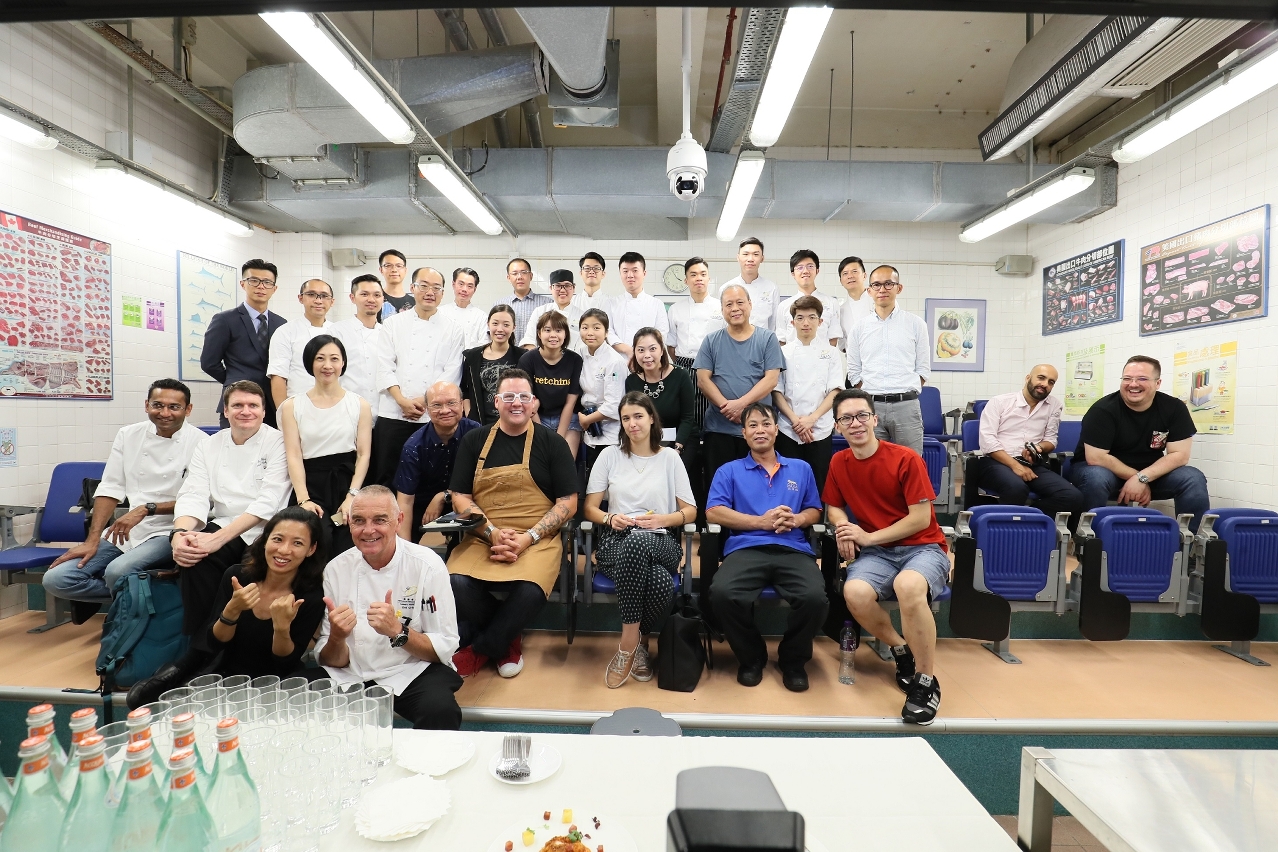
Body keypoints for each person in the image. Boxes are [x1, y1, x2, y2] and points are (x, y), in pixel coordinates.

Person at [825, 389, 950, 725]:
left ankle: (926, 681)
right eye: (846, 418)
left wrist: (866, 537)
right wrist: (844, 528)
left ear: (875, 419)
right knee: (854, 592)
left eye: (862, 415)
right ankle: (900, 649)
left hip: (923, 547)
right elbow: (833, 506)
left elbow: (920, 519)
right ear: (838, 427)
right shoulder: (839, 462)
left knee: (908, 586)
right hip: (877, 552)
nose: (856, 423)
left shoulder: (906, 459)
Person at [126, 506, 329, 707]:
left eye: (298, 543)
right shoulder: (238, 576)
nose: (284, 550)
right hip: (227, 675)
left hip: (275, 685)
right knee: (143, 700)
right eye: (277, 539)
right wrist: (232, 610)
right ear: (265, 539)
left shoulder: (310, 596)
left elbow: (285, 662)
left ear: (311, 549)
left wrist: (281, 627)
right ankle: (182, 669)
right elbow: (214, 642)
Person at [447, 369, 578, 678]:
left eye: (523, 397)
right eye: (509, 397)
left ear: (534, 403)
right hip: (482, 535)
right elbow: (460, 498)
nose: (516, 403)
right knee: (455, 582)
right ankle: (507, 636)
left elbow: (568, 504)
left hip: (537, 539)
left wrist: (527, 538)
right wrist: (491, 532)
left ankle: (484, 646)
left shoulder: (552, 443)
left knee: (530, 591)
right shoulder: (474, 440)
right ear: (496, 402)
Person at [43, 379, 208, 623]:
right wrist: (92, 540)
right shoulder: (128, 435)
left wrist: (146, 509)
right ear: (146, 405)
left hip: (173, 530)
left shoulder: (202, 443)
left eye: (174, 407)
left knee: (117, 571)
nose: (164, 413)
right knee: (56, 579)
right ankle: (143, 595)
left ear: (188, 409)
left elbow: (200, 497)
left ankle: (129, 612)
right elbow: (110, 487)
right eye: (157, 405)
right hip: (128, 528)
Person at [316, 486, 464, 730]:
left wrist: (398, 631)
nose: (368, 530)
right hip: (353, 673)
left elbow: (443, 648)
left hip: (410, 670)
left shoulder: (427, 565)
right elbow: (332, 660)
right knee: (294, 695)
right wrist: (337, 638)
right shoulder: (336, 569)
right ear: (349, 524)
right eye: (359, 521)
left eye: (380, 520)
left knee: (440, 710)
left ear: (399, 521)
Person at [705, 404, 827, 692]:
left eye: (766, 424)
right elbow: (714, 512)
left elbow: (814, 510)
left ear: (776, 429)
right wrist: (759, 522)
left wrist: (797, 519)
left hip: (793, 548)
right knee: (722, 594)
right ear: (743, 433)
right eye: (753, 425)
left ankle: (793, 660)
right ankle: (751, 657)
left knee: (815, 599)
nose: (760, 430)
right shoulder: (729, 470)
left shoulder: (801, 468)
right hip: (745, 549)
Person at [170, 381, 291, 658]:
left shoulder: (279, 442)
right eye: (237, 405)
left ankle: (239, 652)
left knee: (243, 569)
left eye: (253, 406)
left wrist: (216, 539)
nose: (245, 411)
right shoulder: (208, 446)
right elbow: (193, 494)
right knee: (194, 558)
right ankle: (201, 649)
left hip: (267, 528)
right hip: (225, 522)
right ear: (225, 410)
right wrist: (179, 535)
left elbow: (268, 502)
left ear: (263, 412)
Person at [585, 393, 696, 688]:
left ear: (651, 418)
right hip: (617, 539)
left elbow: (691, 511)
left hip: (660, 538)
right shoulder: (610, 456)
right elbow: (590, 508)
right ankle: (642, 644)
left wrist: (662, 519)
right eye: (625, 418)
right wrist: (610, 518)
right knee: (658, 580)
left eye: (637, 416)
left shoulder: (670, 457)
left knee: (640, 544)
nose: (632, 423)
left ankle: (626, 645)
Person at [1071, 355, 1210, 530]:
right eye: (1127, 379)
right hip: (1101, 471)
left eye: (1142, 379)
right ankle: (1087, 539)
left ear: (1158, 383)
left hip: (1149, 474)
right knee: (1096, 477)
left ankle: (1192, 545)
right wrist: (1138, 478)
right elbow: (1096, 458)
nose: (1133, 384)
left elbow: (1180, 455)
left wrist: (1142, 478)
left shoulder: (1174, 408)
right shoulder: (1102, 410)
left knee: (1192, 477)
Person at [277, 335, 373, 556]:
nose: (327, 365)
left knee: (349, 544)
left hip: (348, 483)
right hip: (310, 486)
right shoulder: (292, 406)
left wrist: (352, 496)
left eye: (334, 359)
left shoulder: (360, 404)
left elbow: (363, 454)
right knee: (319, 541)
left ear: (343, 363)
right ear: (310, 363)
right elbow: (293, 455)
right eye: (320, 358)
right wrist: (304, 499)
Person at [372, 266, 465, 487]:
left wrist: (425, 402)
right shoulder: (393, 324)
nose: (430, 292)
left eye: (436, 288)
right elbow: (383, 366)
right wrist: (402, 401)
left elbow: (451, 373)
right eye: (423, 286)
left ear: (443, 293)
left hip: (431, 415)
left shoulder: (454, 329)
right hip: (394, 412)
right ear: (412, 289)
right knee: (388, 475)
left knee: (429, 479)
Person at [974, 365, 1085, 522]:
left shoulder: (1054, 405)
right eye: (1041, 378)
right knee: (1016, 488)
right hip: (996, 462)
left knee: (1072, 496)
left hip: (1032, 463)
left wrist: (1038, 448)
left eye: (1051, 382)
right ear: (1028, 378)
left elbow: (1051, 441)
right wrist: (1016, 466)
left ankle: (1031, 522)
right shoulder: (999, 402)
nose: (1045, 384)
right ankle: (1005, 533)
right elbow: (988, 442)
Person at [694, 284, 784, 475]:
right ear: (722, 310)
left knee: (757, 489)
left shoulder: (767, 339)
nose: (735, 308)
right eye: (729, 304)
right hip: (719, 430)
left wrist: (742, 406)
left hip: (757, 431)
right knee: (718, 488)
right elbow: (702, 380)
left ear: (750, 305)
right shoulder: (711, 340)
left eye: (740, 302)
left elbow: (771, 379)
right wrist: (729, 408)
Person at [846, 265, 929, 454]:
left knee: (911, 464)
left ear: (899, 288)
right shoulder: (859, 328)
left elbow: (923, 368)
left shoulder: (916, 324)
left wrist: (907, 388)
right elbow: (854, 371)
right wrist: (869, 394)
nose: (882, 289)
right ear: (869, 291)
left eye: (888, 284)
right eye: (876, 285)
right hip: (870, 407)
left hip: (906, 406)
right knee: (872, 466)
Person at [201, 259, 287, 427]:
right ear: (243, 284)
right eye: (254, 281)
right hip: (238, 403)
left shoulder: (282, 324)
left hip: (272, 405)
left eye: (267, 282)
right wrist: (235, 381)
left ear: (274, 288)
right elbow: (209, 363)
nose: (261, 286)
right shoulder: (225, 320)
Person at [393, 382, 481, 543]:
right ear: (427, 409)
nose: (445, 410)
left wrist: (444, 495)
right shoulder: (414, 446)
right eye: (437, 405)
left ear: (462, 404)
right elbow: (405, 500)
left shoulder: (476, 434)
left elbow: (483, 481)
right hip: (423, 504)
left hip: (467, 498)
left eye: (451, 403)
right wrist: (405, 547)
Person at [772, 296, 842, 492]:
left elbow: (835, 390)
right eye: (800, 318)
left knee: (818, 484)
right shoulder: (782, 352)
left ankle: (817, 523)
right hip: (788, 429)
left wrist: (812, 419)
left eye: (812, 317)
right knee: (787, 485)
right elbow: (776, 391)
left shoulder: (831, 352)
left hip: (820, 429)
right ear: (792, 322)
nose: (806, 323)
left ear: (820, 322)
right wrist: (796, 421)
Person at [518, 310, 583, 458]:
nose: (553, 335)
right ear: (539, 334)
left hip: (567, 419)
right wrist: (542, 435)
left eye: (558, 330)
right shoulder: (527, 360)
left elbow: (570, 402)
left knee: (564, 462)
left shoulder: (574, 360)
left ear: (565, 334)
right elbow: (528, 401)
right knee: (540, 462)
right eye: (547, 330)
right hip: (536, 417)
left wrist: (558, 438)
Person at [266, 279, 335, 408]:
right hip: (298, 407)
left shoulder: (338, 332)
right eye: (311, 294)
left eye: (324, 296)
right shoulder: (285, 332)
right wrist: (282, 415)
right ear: (300, 298)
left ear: (332, 301)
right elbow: (278, 376)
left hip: (335, 407)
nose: (318, 300)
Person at [576, 309, 628, 469]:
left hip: (610, 434)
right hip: (590, 430)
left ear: (606, 332)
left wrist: (586, 420)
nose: (590, 332)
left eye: (596, 328)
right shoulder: (581, 353)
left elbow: (614, 405)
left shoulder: (614, 361)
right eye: (585, 327)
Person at [460, 305, 522, 426]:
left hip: (514, 423)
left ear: (514, 327)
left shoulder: (522, 357)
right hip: (480, 425)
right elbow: (465, 390)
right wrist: (470, 415)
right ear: (488, 324)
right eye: (495, 323)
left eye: (506, 325)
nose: (500, 329)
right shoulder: (472, 356)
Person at [332, 274, 386, 410]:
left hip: (383, 412)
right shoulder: (337, 331)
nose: (371, 299)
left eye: (377, 295)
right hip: (347, 409)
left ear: (383, 299)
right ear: (352, 298)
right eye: (364, 294)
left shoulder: (387, 333)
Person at [607, 252, 668, 358]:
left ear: (644, 273)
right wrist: (628, 350)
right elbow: (608, 332)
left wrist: (642, 352)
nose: (630, 275)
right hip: (619, 359)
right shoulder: (611, 303)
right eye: (625, 271)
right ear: (620, 274)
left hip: (648, 359)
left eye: (635, 270)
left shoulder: (656, 304)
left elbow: (661, 334)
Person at [776, 250, 841, 347]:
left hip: (822, 360)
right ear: (793, 274)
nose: (805, 271)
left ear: (817, 271)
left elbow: (833, 338)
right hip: (793, 360)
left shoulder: (831, 303)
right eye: (800, 267)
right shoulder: (784, 306)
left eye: (810, 266)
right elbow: (782, 340)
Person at [666, 256, 721, 367]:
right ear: (686, 281)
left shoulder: (721, 307)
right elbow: (671, 344)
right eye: (693, 275)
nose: (699, 278)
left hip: (715, 364)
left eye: (703, 274)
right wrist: (680, 365)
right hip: (684, 365)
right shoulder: (675, 309)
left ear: (709, 279)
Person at [718, 237, 778, 331]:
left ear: (762, 258)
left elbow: (774, 323)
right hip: (733, 342)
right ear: (738, 257)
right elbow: (723, 322)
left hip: (763, 342)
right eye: (745, 254)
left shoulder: (771, 288)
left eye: (755, 254)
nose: (750, 259)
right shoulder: (726, 288)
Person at [520, 269, 584, 353]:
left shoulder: (582, 316)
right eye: (558, 286)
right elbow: (529, 339)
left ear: (573, 288)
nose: (562, 290)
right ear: (551, 288)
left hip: (572, 362)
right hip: (542, 361)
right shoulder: (540, 311)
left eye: (567, 285)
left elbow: (584, 345)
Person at [494, 257, 550, 343]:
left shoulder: (547, 304)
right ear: (508, 278)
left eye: (524, 272)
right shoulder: (499, 305)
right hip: (508, 354)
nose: (519, 277)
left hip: (538, 355)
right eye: (515, 273)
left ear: (531, 276)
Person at [438, 266, 489, 348]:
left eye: (469, 286)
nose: (464, 289)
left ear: (474, 289)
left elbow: (484, 345)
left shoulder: (481, 317)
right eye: (461, 284)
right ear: (453, 284)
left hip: (472, 360)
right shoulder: (440, 312)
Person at [836, 256, 872, 354]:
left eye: (854, 271)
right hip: (854, 365)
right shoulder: (841, 310)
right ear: (841, 281)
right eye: (845, 273)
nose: (850, 276)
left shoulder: (878, 301)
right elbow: (842, 344)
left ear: (864, 276)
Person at [378, 249, 415, 316]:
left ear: (405, 270)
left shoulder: (415, 303)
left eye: (399, 266)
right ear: (381, 270)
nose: (394, 270)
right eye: (388, 265)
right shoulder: (375, 300)